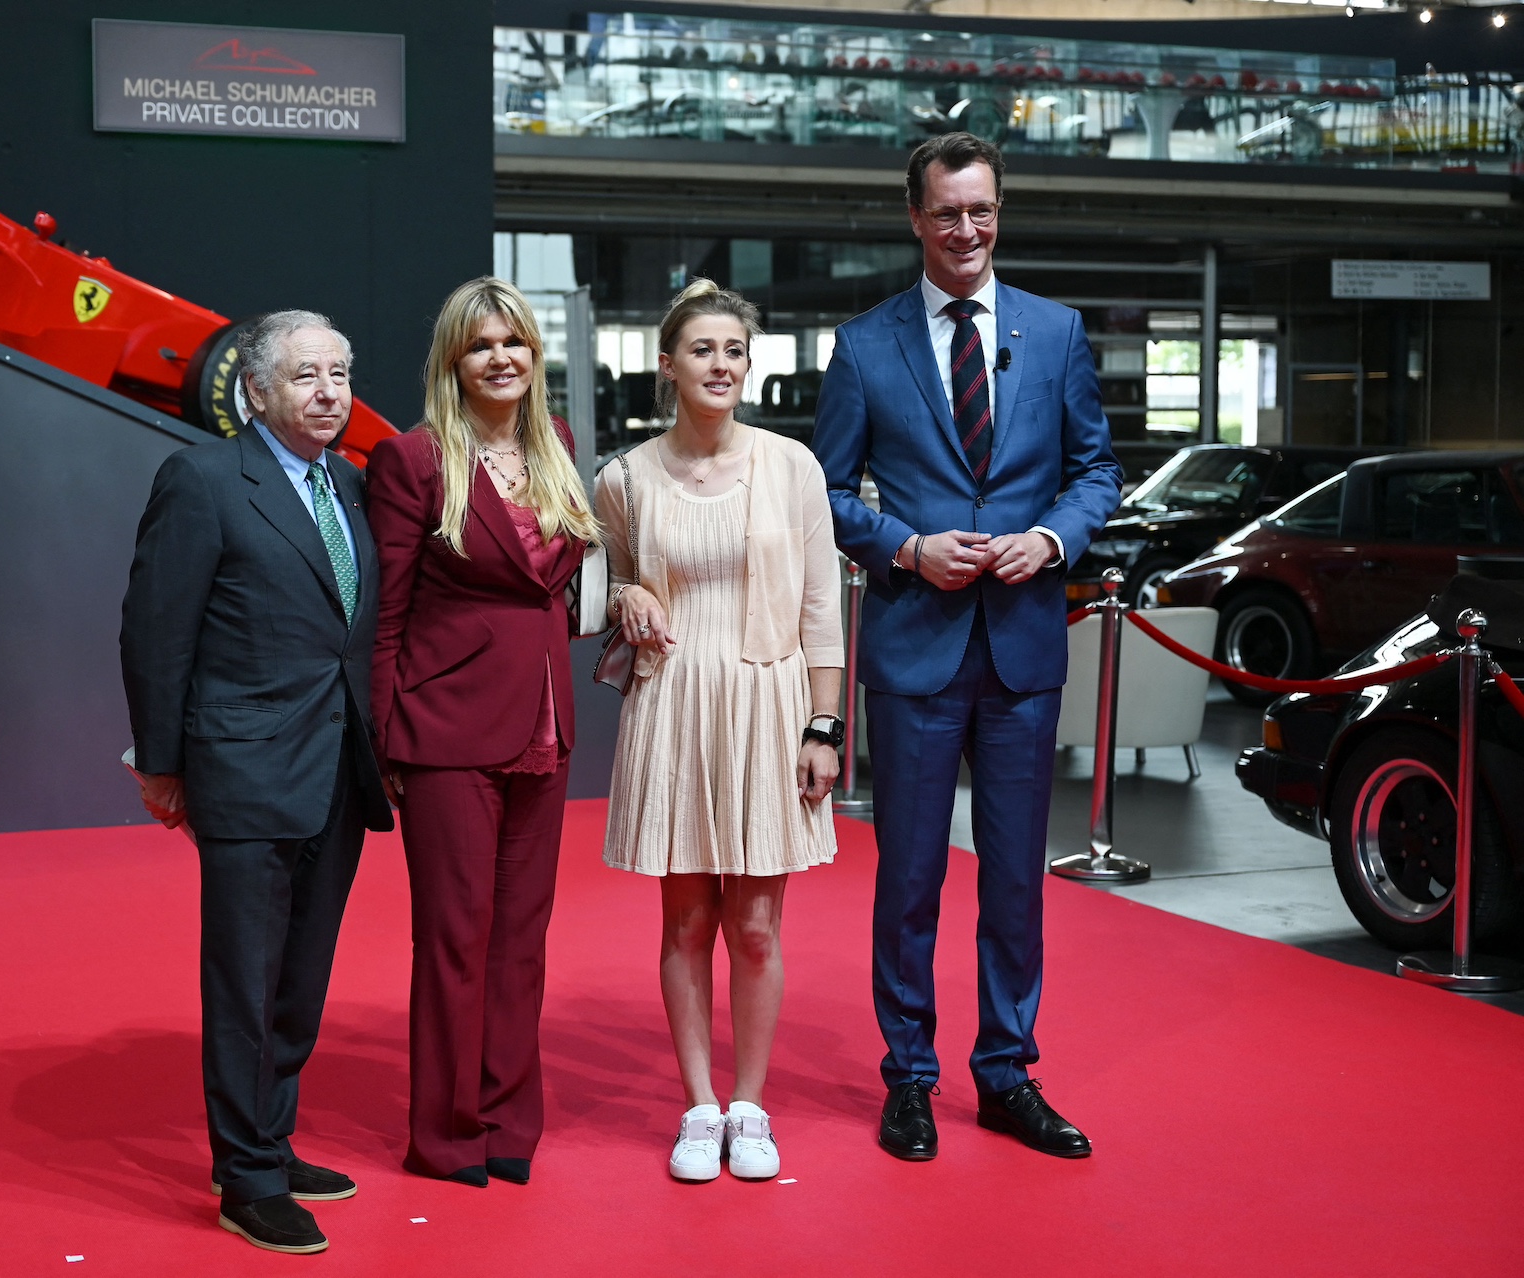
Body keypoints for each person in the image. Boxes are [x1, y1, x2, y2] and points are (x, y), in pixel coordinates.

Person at [811, 133, 1123, 1162]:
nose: (968, 230)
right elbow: (824, 491)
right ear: (916, 218)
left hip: (1025, 653)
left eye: (982, 210)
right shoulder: (863, 346)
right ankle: (909, 1077)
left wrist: (1052, 539)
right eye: (948, 212)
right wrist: (903, 543)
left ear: (1001, 210)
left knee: (1015, 883)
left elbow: (1095, 471)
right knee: (908, 881)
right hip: (915, 650)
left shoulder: (1058, 330)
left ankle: (1006, 1074)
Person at [119, 310, 392, 1256]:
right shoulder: (201, 479)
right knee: (243, 982)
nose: (331, 391)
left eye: (342, 372)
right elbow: (156, 631)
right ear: (259, 391)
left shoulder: (353, 486)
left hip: (337, 770)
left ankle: (267, 1143)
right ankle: (246, 1180)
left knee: (299, 981)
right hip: (243, 768)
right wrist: (160, 764)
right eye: (309, 375)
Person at [599, 279, 844, 1184]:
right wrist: (622, 590)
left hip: (770, 699)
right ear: (667, 365)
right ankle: (699, 1106)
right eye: (701, 351)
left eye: (734, 351)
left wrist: (824, 724)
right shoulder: (622, 478)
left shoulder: (792, 467)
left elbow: (823, 608)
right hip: (672, 702)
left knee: (757, 925)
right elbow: (607, 583)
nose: (720, 365)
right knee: (687, 919)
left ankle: (751, 1103)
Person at [364, 277, 595, 1188]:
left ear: (536, 357)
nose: (501, 358)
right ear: (452, 364)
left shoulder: (559, 447)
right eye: (480, 345)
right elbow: (384, 615)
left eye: (516, 343)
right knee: (455, 939)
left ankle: (509, 1125)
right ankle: (448, 1135)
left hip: (544, 727)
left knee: (522, 941)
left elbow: (561, 586)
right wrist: (381, 738)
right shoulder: (414, 461)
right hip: (444, 732)